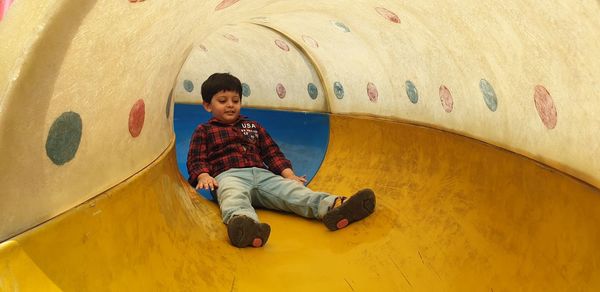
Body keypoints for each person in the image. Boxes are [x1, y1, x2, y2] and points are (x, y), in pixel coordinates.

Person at [187, 73, 376, 248]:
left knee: (292, 191)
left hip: (262, 174)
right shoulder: (204, 130)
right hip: (228, 176)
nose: (230, 105)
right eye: (222, 101)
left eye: (235, 100)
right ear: (207, 105)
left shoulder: (252, 126)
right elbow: (196, 157)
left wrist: (289, 174)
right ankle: (245, 226)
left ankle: (334, 207)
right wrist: (203, 175)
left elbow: (271, 152)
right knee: (233, 196)